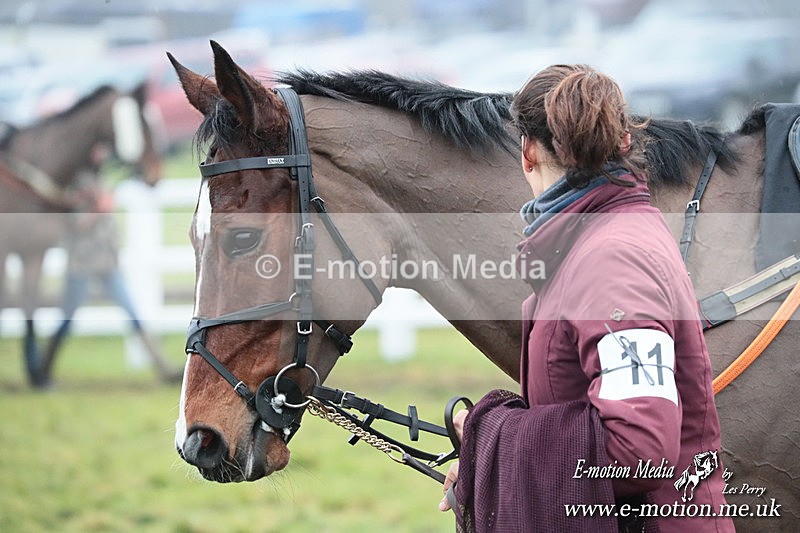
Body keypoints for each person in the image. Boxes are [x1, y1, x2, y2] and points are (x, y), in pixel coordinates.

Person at [438, 65, 733, 532]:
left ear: (527, 151)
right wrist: (487, 468)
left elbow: (638, 450)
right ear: (622, 143)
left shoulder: (613, 260)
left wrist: (496, 449)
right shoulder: (599, 240)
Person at [39, 145, 180, 384]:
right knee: (66, 320)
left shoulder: (99, 178)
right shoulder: (74, 182)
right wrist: (98, 209)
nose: (102, 155)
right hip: (81, 262)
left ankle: (164, 369)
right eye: (97, 151)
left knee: (133, 314)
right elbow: (73, 225)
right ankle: (43, 372)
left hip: (107, 261)